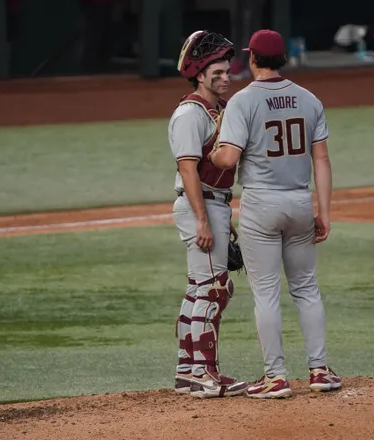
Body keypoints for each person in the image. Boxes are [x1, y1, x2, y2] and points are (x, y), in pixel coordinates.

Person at [208, 29, 341, 399]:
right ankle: (318, 370)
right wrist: (323, 211)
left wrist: (212, 152)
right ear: (283, 59)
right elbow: (322, 160)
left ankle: (275, 377)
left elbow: (229, 158)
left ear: (252, 59)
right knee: (306, 288)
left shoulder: (243, 101)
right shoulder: (309, 99)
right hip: (300, 202)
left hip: (261, 205)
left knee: (266, 293)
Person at [168, 30, 248, 399]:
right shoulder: (189, 113)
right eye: (216, 71)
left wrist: (219, 215)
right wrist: (203, 219)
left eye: (226, 70)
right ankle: (205, 373)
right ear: (198, 74)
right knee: (214, 290)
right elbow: (188, 169)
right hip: (199, 202)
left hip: (213, 203)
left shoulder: (216, 110)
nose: (225, 76)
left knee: (199, 289)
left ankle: (187, 372)